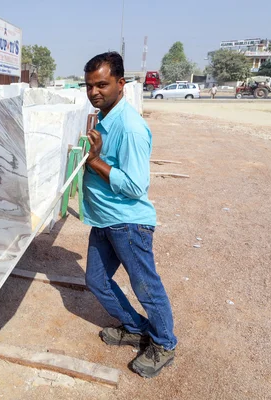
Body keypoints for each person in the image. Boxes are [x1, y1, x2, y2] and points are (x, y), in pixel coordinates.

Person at [82, 52, 177, 378]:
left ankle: (164, 343)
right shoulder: (104, 118)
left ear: (121, 84)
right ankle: (136, 329)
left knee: (146, 287)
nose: (94, 92)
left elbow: (136, 185)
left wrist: (94, 162)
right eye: (89, 85)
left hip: (127, 222)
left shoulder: (131, 127)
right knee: (96, 280)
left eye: (102, 85)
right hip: (105, 219)